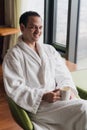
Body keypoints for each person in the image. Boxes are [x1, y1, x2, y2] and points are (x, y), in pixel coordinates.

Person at [2, 11, 87, 130]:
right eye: (33, 27)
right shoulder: (13, 56)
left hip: (59, 99)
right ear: (22, 27)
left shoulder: (49, 50)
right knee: (84, 109)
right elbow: (15, 88)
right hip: (39, 106)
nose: (38, 31)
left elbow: (63, 75)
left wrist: (66, 90)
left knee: (84, 108)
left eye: (40, 27)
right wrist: (43, 95)